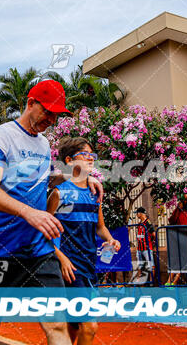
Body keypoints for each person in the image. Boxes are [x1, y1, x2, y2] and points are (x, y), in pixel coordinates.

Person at [0, 79, 103, 345]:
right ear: (30, 103)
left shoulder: (44, 144)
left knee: (57, 324)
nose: (52, 120)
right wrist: (28, 213)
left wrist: (81, 177)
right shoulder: (2, 136)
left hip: (38, 250)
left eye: (56, 115)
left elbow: (42, 179)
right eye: (47, 112)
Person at [48, 137, 120, 345]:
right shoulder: (59, 194)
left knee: (72, 325)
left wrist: (110, 239)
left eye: (92, 155)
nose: (90, 159)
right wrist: (61, 258)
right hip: (71, 268)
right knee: (90, 326)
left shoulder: (94, 193)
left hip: (90, 266)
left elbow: (100, 227)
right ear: (69, 161)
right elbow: (44, 233)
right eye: (85, 155)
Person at [131, 207, 156, 283]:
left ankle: (152, 281)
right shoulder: (139, 223)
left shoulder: (147, 223)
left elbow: (154, 234)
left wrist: (151, 242)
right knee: (139, 265)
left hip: (147, 248)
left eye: (137, 213)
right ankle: (139, 280)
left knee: (151, 264)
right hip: (139, 248)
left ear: (140, 214)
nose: (137, 215)